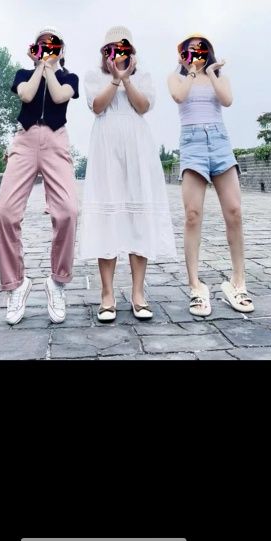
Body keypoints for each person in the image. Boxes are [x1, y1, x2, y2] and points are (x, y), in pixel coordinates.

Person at [79, 26, 177, 322]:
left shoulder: (142, 77)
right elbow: (97, 106)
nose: (117, 53)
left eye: (122, 49)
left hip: (137, 148)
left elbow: (143, 106)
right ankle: (107, 294)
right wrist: (114, 79)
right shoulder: (94, 76)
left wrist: (127, 79)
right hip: (106, 149)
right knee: (107, 217)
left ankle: (138, 293)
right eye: (111, 49)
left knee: (138, 217)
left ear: (131, 51)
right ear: (104, 52)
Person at [168, 32, 254, 317]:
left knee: (234, 211)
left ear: (209, 51)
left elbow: (227, 100)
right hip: (192, 144)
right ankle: (195, 286)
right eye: (190, 49)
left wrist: (213, 73)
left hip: (219, 142)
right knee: (192, 214)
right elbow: (179, 96)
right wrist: (191, 72)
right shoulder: (176, 78)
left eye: (201, 48)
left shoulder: (220, 77)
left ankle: (238, 282)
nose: (196, 52)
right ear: (182, 54)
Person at [0, 28, 79, 325]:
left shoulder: (69, 78)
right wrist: (39, 67)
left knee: (68, 211)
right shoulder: (23, 74)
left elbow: (58, 96)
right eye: (42, 45)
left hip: (56, 141)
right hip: (25, 140)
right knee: (5, 212)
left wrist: (50, 68)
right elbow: (27, 95)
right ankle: (16, 284)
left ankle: (57, 282)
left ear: (62, 50)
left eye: (53, 45)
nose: (47, 48)